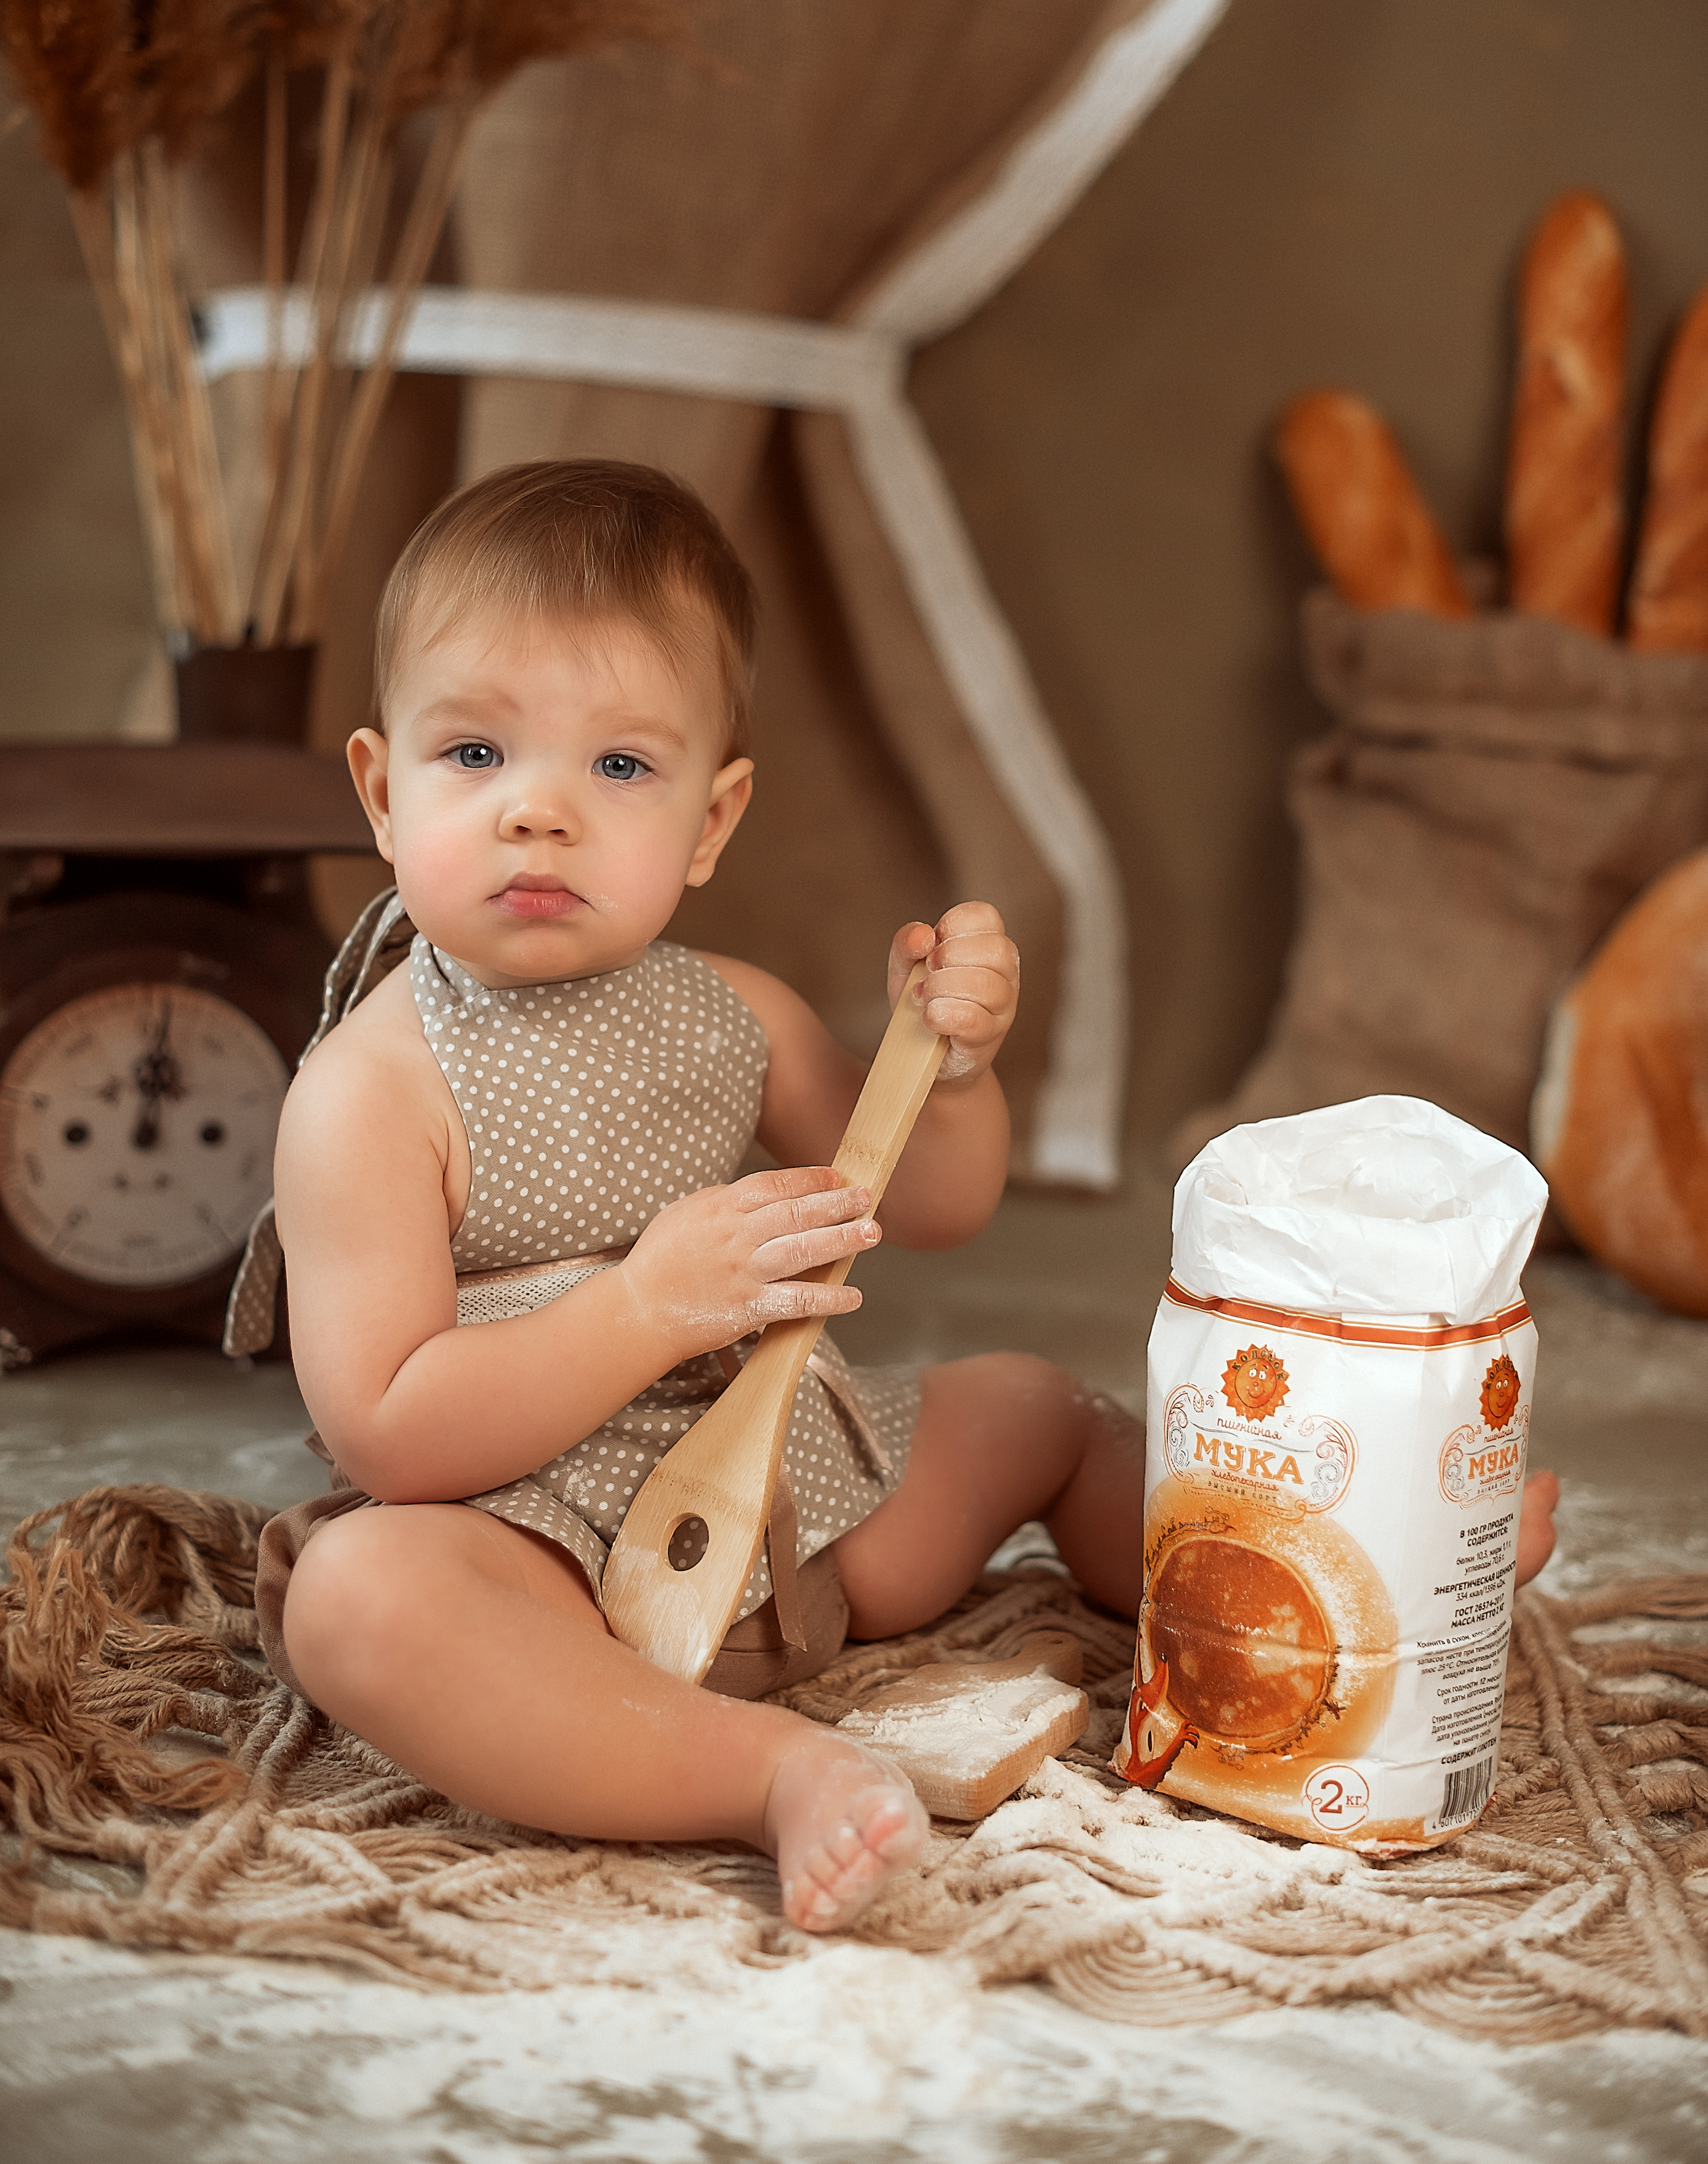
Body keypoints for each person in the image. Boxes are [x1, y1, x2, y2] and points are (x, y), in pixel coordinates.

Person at [260, 458, 1559, 1936]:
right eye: (475, 755)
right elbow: (389, 1425)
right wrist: (637, 1307)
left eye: (619, 768)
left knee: (1034, 1413)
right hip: (523, 1537)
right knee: (360, 1604)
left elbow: (932, 1201)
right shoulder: (367, 1093)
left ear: (709, 819)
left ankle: (1369, 1570)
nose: (539, 814)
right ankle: (760, 1773)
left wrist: (938, 1075)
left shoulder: (729, 1013)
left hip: (798, 1494)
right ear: (380, 789)